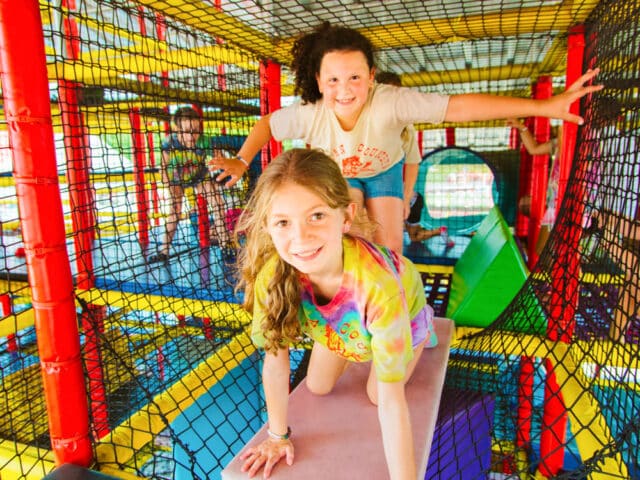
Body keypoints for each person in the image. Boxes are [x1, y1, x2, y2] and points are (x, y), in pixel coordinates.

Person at [210, 22, 602, 255]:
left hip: (385, 172)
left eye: (354, 78)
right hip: (341, 176)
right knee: (351, 235)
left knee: (391, 248)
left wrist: (544, 107)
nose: (344, 90)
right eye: (333, 80)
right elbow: (266, 125)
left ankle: (392, 305)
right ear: (318, 81)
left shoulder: (392, 103)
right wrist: (242, 160)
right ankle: (351, 306)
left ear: (372, 76)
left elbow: (458, 107)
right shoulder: (311, 114)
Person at [235, 148, 437, 479]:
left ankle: (423, 327)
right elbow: (275, 361)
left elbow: (391, 401)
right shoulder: (273, 277)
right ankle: (357, 335)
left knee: (375, 394)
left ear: (345, 217)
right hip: (342, 322)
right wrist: (277, 436)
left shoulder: (378, 287)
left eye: (316, 216)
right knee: (316, 386)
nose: (301, 238)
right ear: (268, 227)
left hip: (402, 306)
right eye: (283, 222)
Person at [375, 71, 450, 246]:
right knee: (411, 236)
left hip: (406, 198)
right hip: (394, 196)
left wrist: (406, 199)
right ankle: (440, 231)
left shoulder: (405, 127)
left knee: (396, 236)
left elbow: (412, 162)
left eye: (395, 95)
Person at [148, 107, 231, 263]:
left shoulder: (205, 141)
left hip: (198, 176)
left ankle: (225, 246)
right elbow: (163, 167)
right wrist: (168, 184)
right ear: (178, 130)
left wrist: (220, 163)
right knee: (175, 211)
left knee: (218, 203)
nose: (192, 136)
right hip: (177, 177)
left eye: (195, 130)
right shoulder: (170, 142)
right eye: (187, 131)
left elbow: (219, 158)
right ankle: (163, 251)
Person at [507, 118, 562, 255]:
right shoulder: (557, 144)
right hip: (554, 204)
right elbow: (533, 149)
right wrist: (521, 127)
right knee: (541, 250)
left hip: (571, 202)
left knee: (552, 250)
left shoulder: (582, 147)